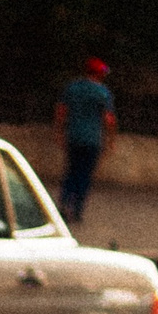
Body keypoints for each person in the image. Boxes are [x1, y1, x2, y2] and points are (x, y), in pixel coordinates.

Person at [54, 57, 117, 224]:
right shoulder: (103, 92)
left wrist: (60, 132)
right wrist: (110, 139)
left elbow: (61, 111)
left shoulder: (72, 88)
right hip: (92, 140)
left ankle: (63, 203)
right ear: (99, 74)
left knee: (71, 170)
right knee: (85, 174)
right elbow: (108, 119)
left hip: (73, 136)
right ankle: (77, 209)